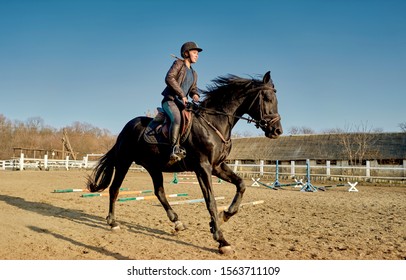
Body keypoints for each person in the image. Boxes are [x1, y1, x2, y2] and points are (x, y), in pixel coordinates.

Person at [161, 41, 203, 162]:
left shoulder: (194, 73)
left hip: (182, 104)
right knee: (177, 119)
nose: (197, 55)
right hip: (170, 101)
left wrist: (195, 95)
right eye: (194, 52)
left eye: (197, 54)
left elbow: (193, 88)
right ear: (186, 53)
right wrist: (181, 94)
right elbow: (169, 78)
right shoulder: (178, 63)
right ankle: (174, 149)